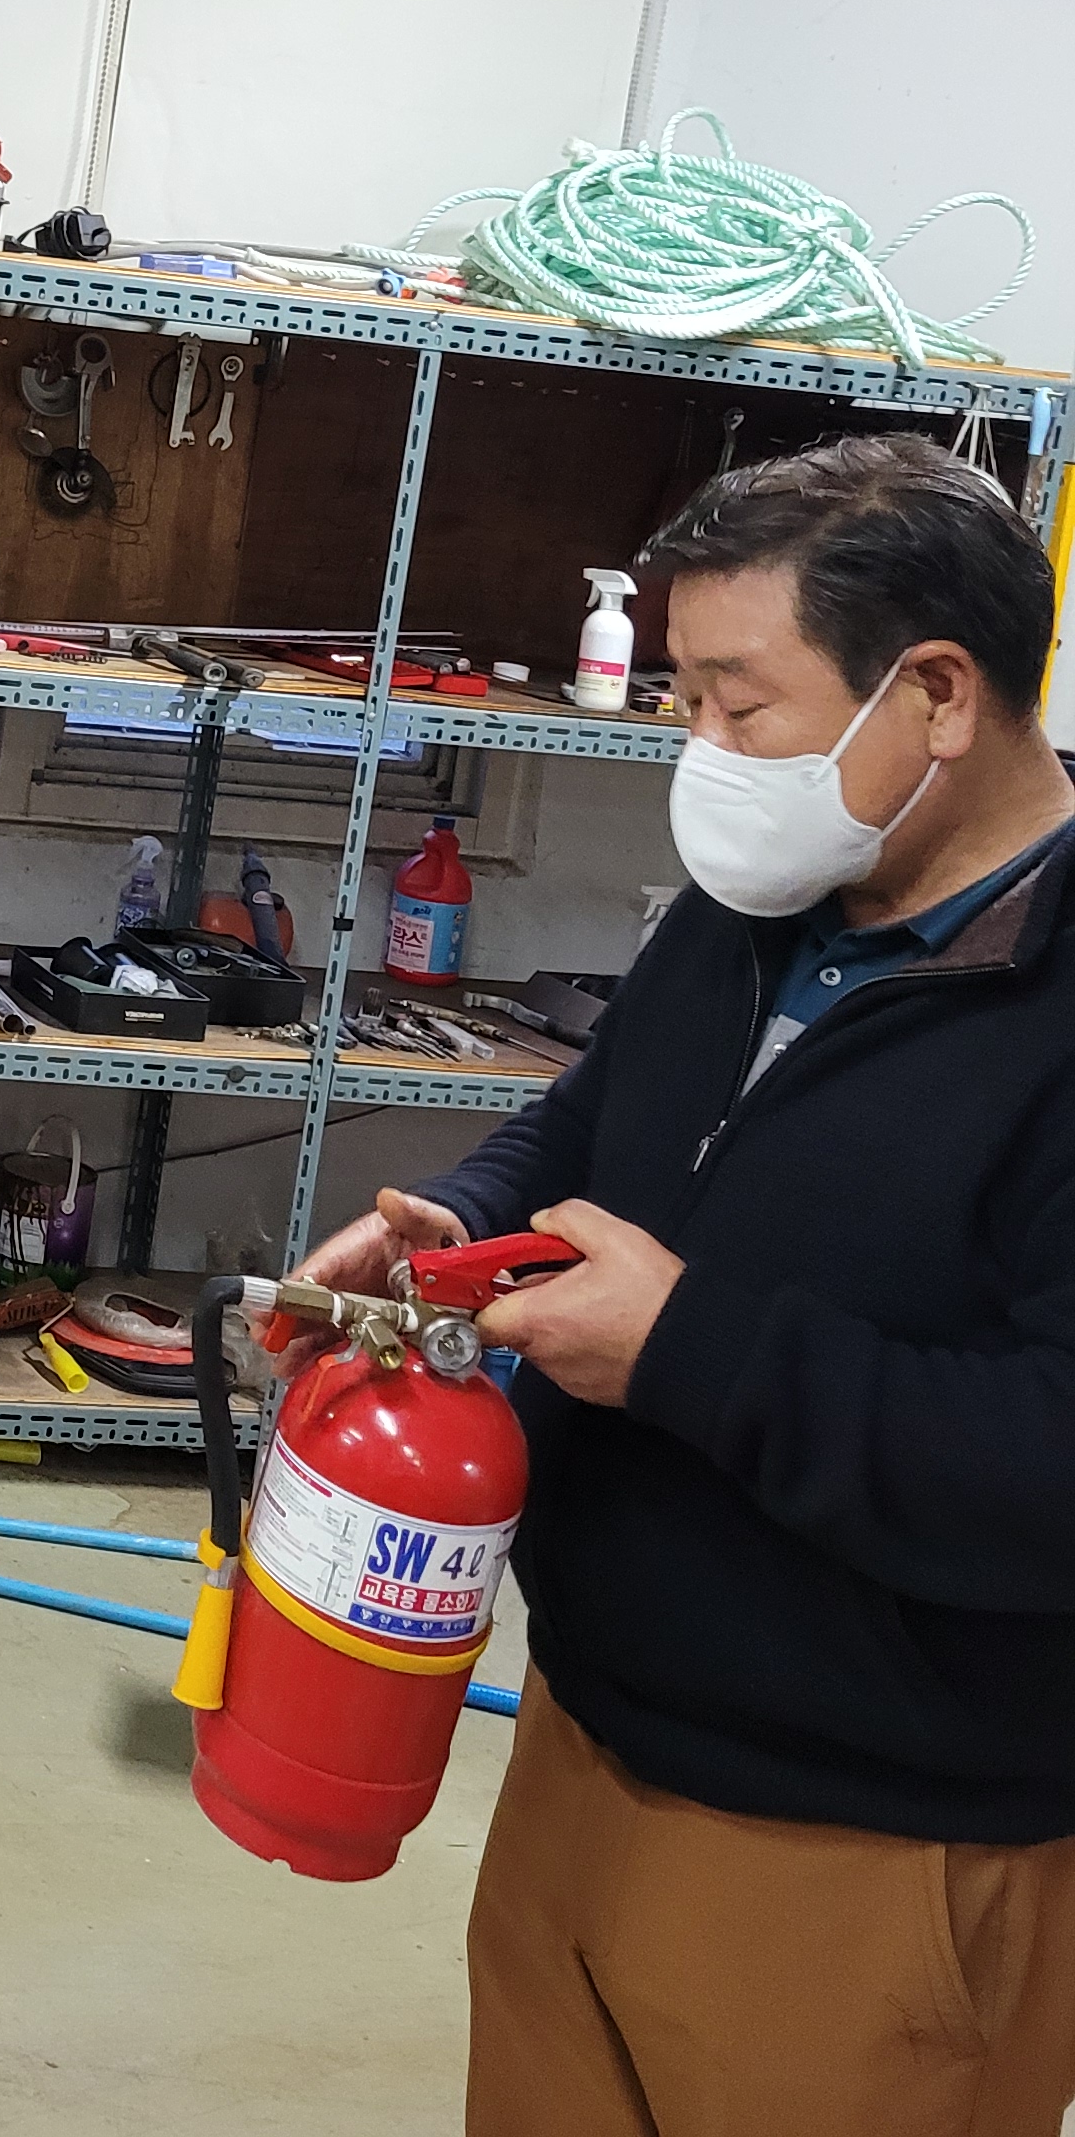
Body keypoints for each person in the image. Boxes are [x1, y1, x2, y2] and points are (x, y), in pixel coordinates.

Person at [298, 434, 1075, 2134]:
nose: (700, 752)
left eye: (742, 704)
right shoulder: (765, 898)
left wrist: (686, 1349)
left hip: (871, 1847)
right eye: (682, 699)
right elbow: (603, 1114)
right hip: (587, 1737)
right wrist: (466, 1216)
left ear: (938, 694)